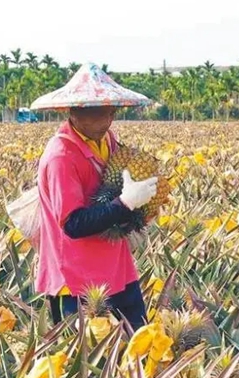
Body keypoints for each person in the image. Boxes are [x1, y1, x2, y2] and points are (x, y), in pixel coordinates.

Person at [29, 63, 156, 332]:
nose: (106, 121)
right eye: (98, 113)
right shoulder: (61, 157)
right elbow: (74, 224)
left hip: (117, 269)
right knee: (89, 365)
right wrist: (126, 203)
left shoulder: (106, 139)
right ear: (74, 112)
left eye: (110, 112)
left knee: (140, 343)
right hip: (77, 279)